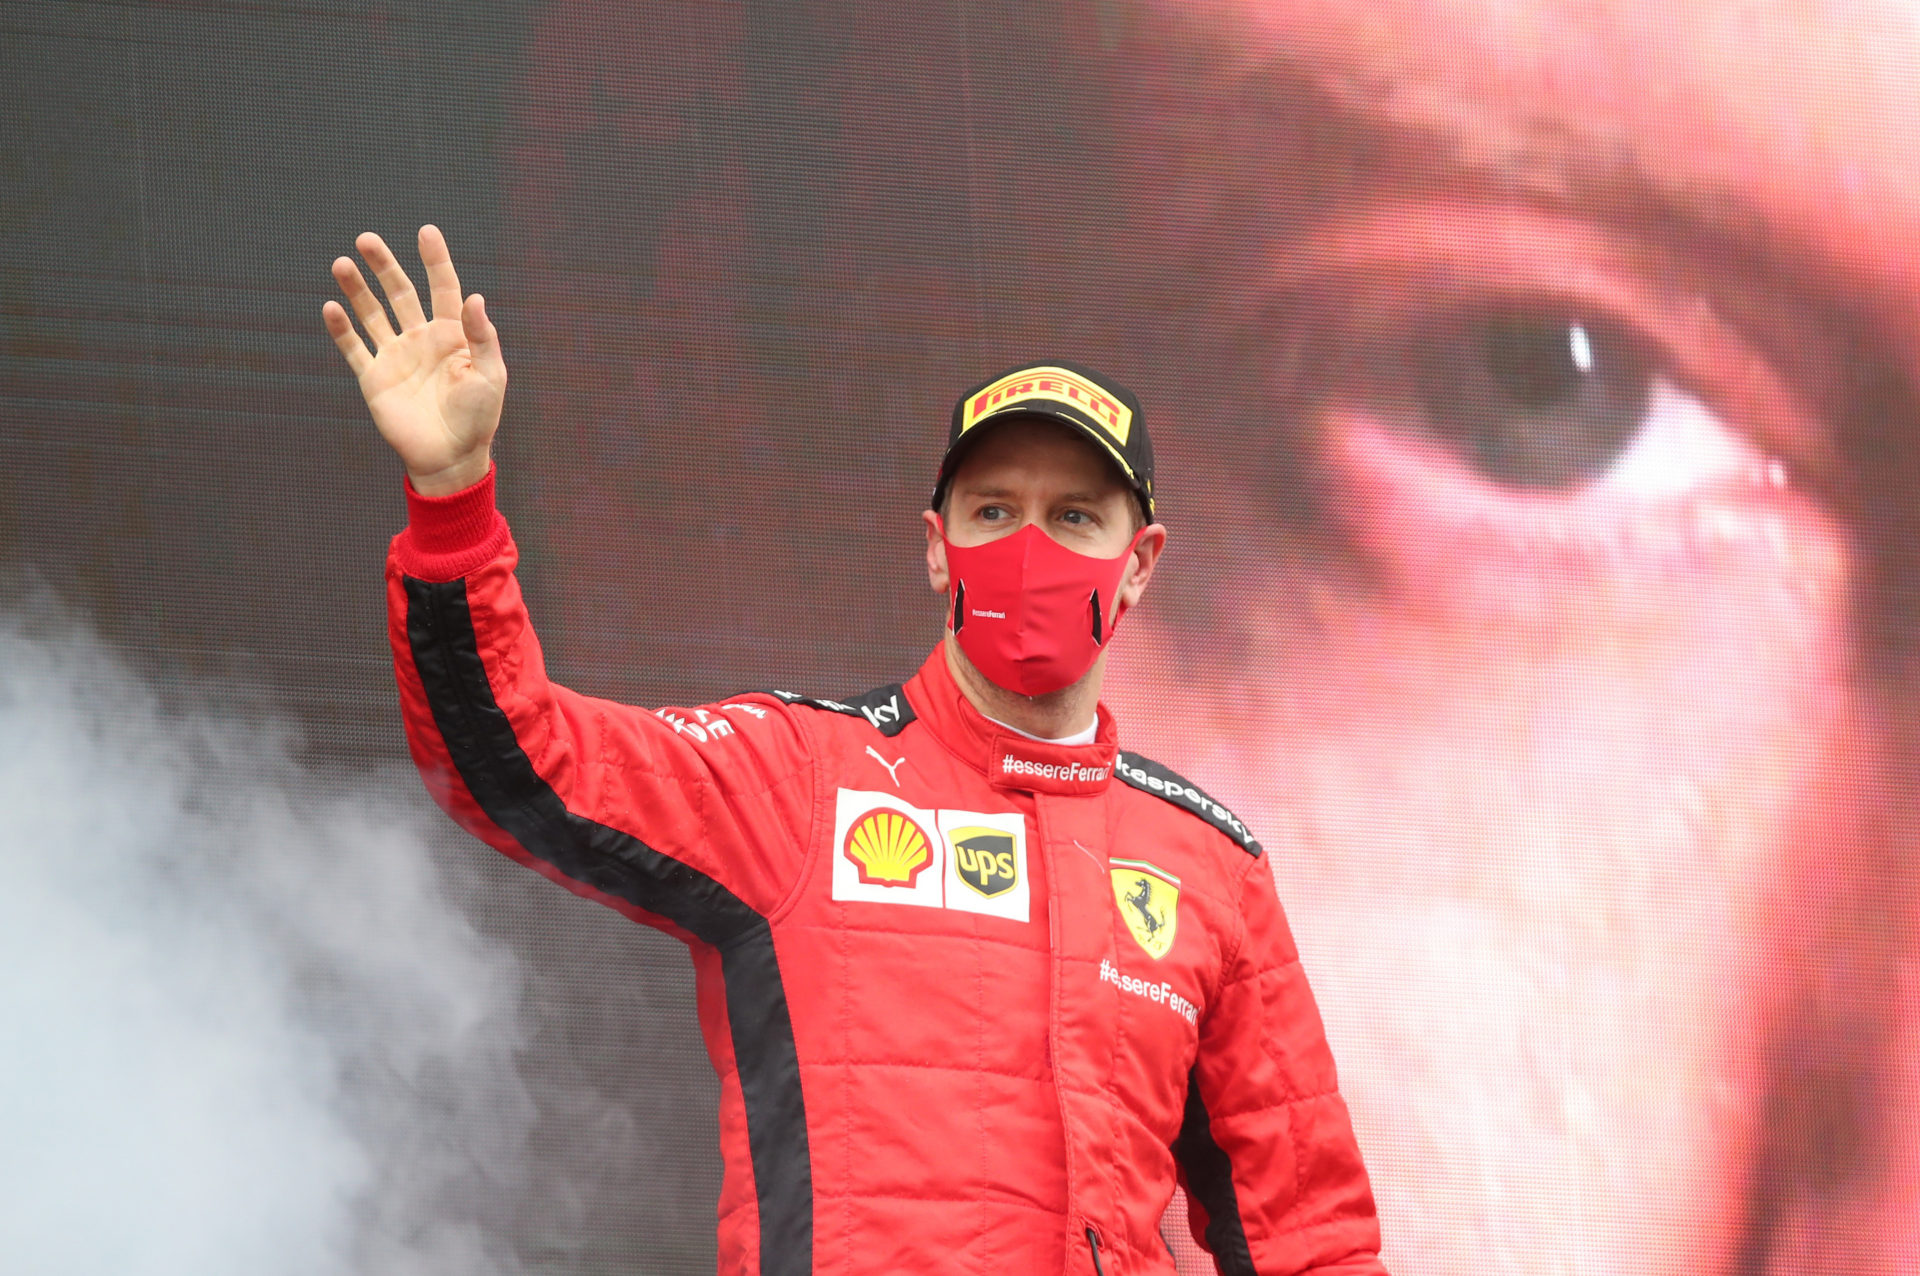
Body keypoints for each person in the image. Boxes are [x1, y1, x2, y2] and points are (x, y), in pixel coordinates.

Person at [321, 224, 1391, 1276]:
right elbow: (520, 757)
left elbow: (1312, 1239)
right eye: (993, 511)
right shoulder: (799, 777)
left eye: (1073, 516)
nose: (1030, 546)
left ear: (1141, 560)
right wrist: (454, 499)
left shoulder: (1211, 864)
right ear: (938, 548)